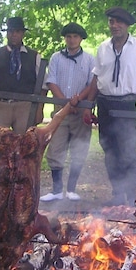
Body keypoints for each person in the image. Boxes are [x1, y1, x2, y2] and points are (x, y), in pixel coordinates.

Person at [83, 7, 136, 206]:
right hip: (104, 104)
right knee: (109, 149)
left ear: (127, 25)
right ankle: (117, 192)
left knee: (127, 150)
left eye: (119, 22)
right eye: (112, 22)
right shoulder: (103, 48)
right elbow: (96, 79)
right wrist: (89, 106)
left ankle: (132, 195)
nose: (114, 26)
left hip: (126, 105)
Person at [0, 16, 43, 192]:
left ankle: (20, 184)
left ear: (22, 34)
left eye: (18, 31)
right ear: (7, 33)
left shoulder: (34, 57)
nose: (14, 34)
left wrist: (39, 110)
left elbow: (42, 86)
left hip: (24, 105)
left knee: (24, 145)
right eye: (11, 31)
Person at [39, 22, 95, 202]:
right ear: (65, 38)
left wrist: (78, 99)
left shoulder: (89, 60)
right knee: (55, 147)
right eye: (69, 36)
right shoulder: (56, 57)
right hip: (60, 110)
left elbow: (92, 83)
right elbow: (51, 81)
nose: (72, 40)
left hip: (80, 110)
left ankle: (71, 189)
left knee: (79, 148)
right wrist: (65, 103)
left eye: (75, 37)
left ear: (81, 39)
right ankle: (56, 190)